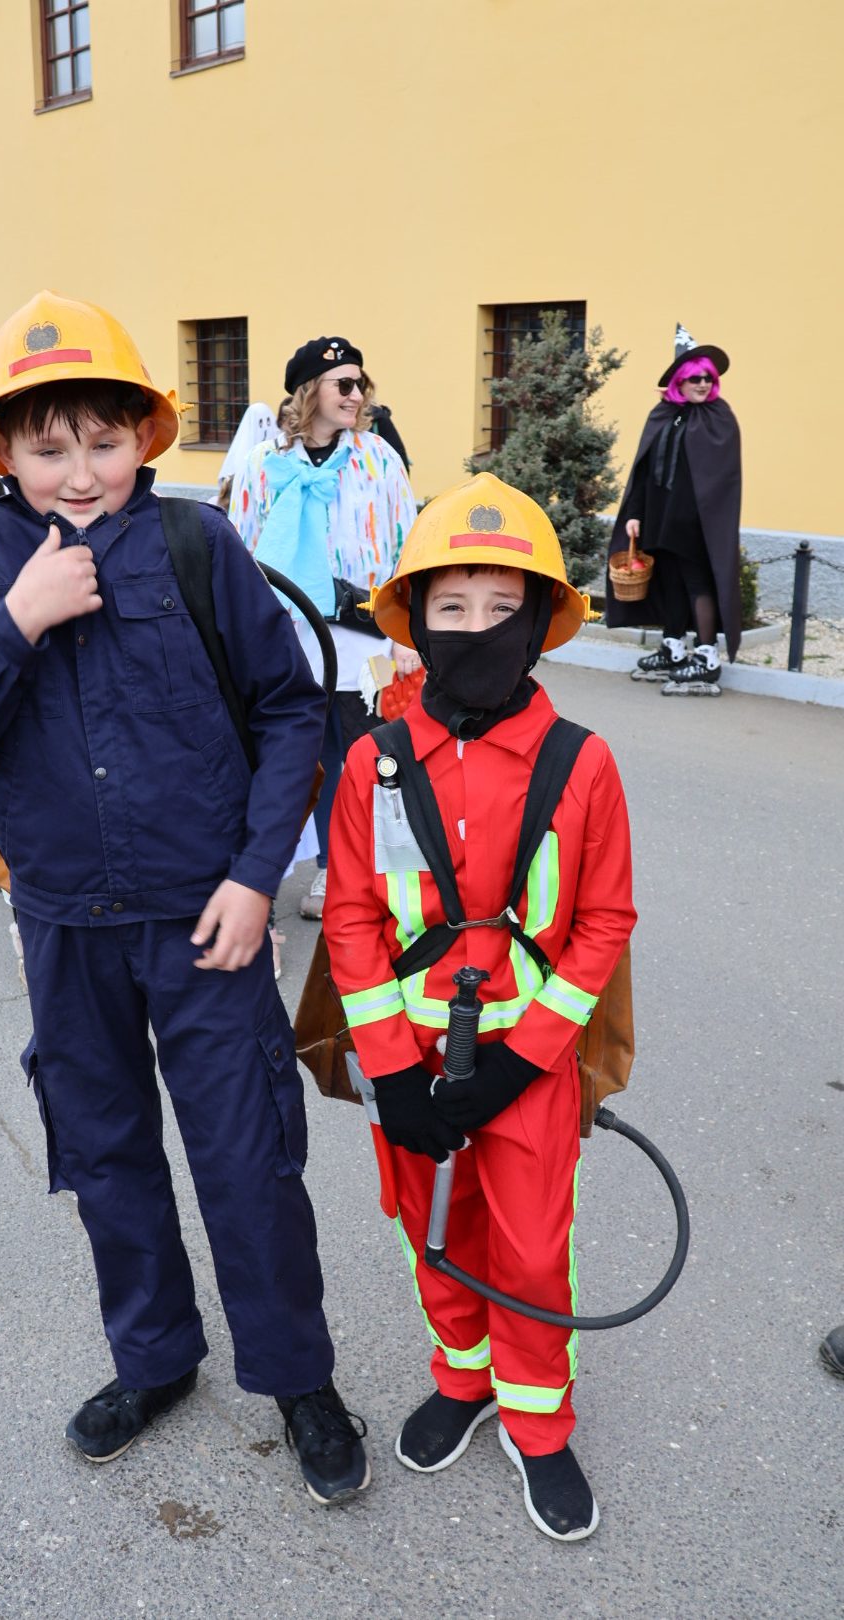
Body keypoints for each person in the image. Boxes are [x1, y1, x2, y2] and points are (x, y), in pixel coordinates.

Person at [0, 289, 369, 1506]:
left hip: (208, 920)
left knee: (248, 1157)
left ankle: (297, 1375)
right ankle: (155, 1359)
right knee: (105, 1157)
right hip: (63, 927)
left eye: (102, 441)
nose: (79, 473)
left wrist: (261, 877)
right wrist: (15, 622)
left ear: (145, 437)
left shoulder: (200, 546)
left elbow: (288, 713)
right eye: (47, 448)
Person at [324, 471, 636, 1542]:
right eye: (452, 607)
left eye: (504, 608)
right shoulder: (373, 761)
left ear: (545, 620)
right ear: (415, 622)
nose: (477, 629)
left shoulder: (581, 764)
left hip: (528, 1072)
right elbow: (354, 919)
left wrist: (522, 1060)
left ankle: (539, 1424)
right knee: (434, 1229)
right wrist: (393, 1067)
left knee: (533, 1244)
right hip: (408, 1060)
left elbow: (603, 924)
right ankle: (463, 1378)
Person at [229, 335, 419, 919]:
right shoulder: (264, 464)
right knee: (296, 755)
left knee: (364, 755)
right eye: (344, 384)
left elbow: (406, 546)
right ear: (310, 391)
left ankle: (347, 870)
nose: (357, 394)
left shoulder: (379, 458)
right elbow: (238, 552)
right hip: (288, 633)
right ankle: (290, 868)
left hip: (362, 633)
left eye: (362, 384)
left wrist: (407, 635)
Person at [606, 324, 742, 693]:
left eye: (707, 378)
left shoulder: (718, 417)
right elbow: (644, 467)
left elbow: (721, 478)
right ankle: (673, 648)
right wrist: (635, 513)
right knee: (669, 583)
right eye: (694, 378)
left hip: (697, 522)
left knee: (698, 584)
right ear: (679, 381)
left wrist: (707, 520)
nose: (702, 384)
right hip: (659, 517)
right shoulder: (664, 414)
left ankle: (707, 655)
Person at [212, 400, 278, 512]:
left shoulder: (278, 450)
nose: (265, 429)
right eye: (260, 423)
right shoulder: (241, 454)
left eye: (268, 422)